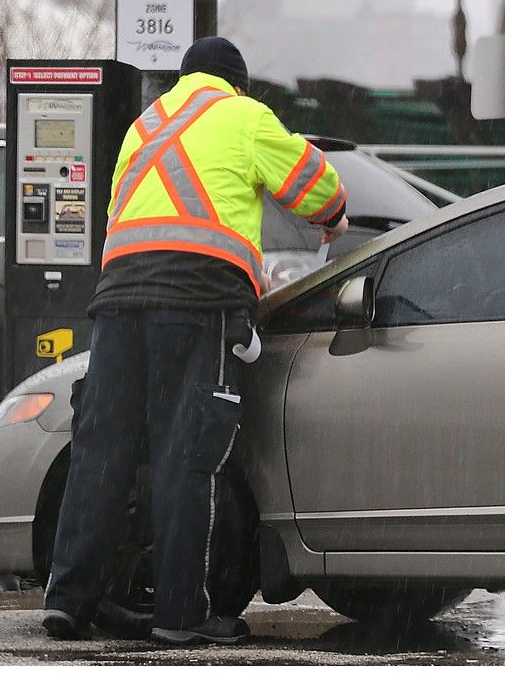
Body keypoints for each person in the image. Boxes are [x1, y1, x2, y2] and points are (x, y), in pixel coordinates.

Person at [41, 36, 348, 645]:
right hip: (197, 299)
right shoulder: (243, 116)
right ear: (237, 83)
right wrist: (333, 218)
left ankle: (70, 600)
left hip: (120, 299)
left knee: (102, 449)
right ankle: (181, 615)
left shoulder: (144, 125)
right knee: (189, 450)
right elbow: (315, 185)